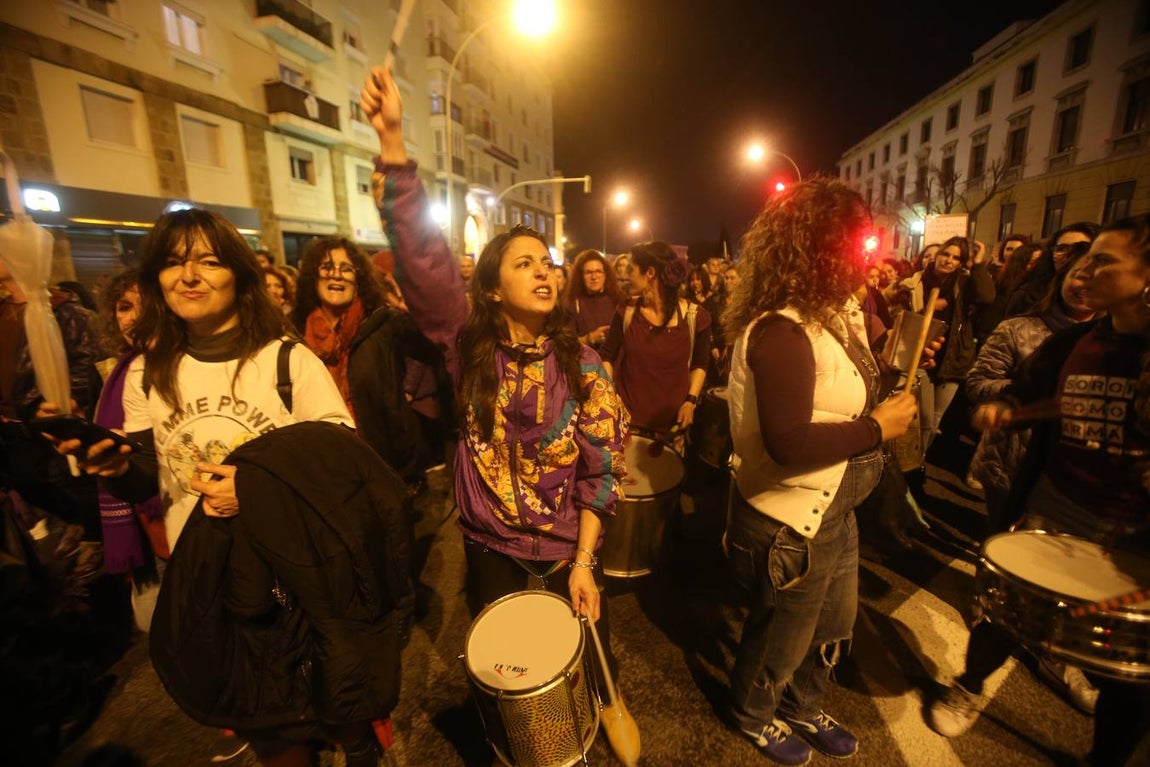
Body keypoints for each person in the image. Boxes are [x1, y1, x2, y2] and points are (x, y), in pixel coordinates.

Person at [54, 209, 402, 767]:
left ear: (238, 275)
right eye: (173, 263)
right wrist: (116, 468)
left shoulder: (285, 361)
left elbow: (344, 462)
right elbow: (151, 470)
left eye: (208, 261)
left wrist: (257, 489)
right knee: (266, 726)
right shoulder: (145, 372)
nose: (188, 276)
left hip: (287, 577)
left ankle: (356, 739)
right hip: (205, 576)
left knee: (329, 703)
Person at [360, 65, 629, 730]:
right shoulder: (464, 344)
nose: (544, 271)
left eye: (548, 262)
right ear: (489, 289)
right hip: (490, 547)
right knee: (509, 677)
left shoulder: (588, 368)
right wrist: (393, 142)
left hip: (569, 546)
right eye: (524, 263)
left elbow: (600, 473)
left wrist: (586, 563)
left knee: (584, 668)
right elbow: (423, 261)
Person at [928, 216, 1150, 767]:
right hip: (1054, 509)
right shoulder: (1074, 343)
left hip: (1136, 540)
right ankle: (971, 685)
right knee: (1006, 616)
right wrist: (1005, 411)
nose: (1085, 268)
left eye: (1104, 259)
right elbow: (1020, 394)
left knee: (1129, 672)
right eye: (1085, 256)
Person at [723, 176, 919, 765]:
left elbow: (840, 391)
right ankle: (753, 712)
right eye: (856, 243)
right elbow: (789, 441)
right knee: (781, 637)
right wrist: (878, 429)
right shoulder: (782, 329)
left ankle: (802, 705)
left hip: (834, 510)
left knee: (830, 625)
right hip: (792, 520)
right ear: (818, 250)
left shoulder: (833, 314)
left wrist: (899, 361)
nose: (870, 256)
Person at [292, 235, 442, 486]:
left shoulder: (385, 324)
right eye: (327, 266)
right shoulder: (293, 332)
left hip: (383, 466)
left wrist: (416, 310)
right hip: (319, 467)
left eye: (347, 268)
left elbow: (436, 348)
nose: (336, 274)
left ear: (359, 278)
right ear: (312, 275)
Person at [600, 241, 712, 439]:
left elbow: (700, 364)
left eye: (632, 269)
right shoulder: (626, 311)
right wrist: (609, 395)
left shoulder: (695, 316)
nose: (627, 276)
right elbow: (607, 356)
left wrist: (690, 401)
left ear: (649, 273)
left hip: (672, 432)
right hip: (626, 428)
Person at [1005, 222, 1099, 318]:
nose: (1068, 255)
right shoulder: (1029, 295)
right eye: (1061, 249)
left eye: (1079, 249)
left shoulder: (1104, 295)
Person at [566, 248, 624, 349]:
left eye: (598, 271)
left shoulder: (618, 299)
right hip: (587, 362)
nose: (594, 277)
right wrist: (590, 338)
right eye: (588, 272)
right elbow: (566, 343)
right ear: (581, 276)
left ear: (606, 274)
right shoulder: (573, 304)